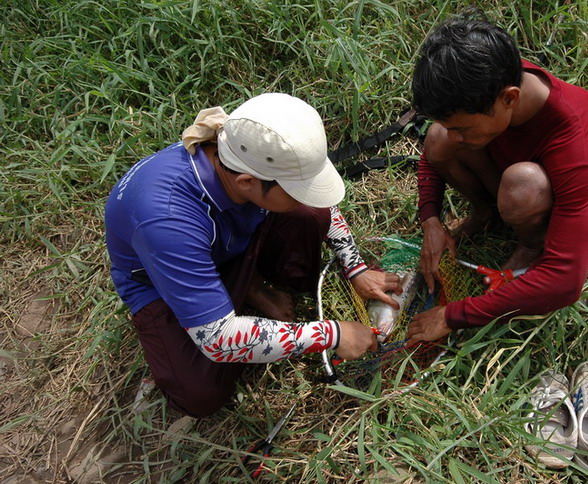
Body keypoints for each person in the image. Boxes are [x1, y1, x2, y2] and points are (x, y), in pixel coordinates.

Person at [105, 93, 402, 417]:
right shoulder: (167, 220)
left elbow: (321, 205)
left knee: (310, 215)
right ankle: (240, 289)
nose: (305, 195)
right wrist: (331, 334)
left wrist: (355, 267)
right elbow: (218, 339)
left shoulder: (243, 156)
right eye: (296, 189)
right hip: (161, 282)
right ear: (247, 183)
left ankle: (248, 285)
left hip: (224, 243)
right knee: (199, 392)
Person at [406, 17, 588, 345]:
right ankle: (487, 213)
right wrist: (431, 220)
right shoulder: (487, 77)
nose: (455, 136)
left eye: (462, 127)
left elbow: (565, 282)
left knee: (523, 186)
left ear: (509, 98)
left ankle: (533, 244)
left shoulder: (578, 144)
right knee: (437, 140)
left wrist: (453, 315)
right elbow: (434, 151)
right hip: (504, 172)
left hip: (543, 196)